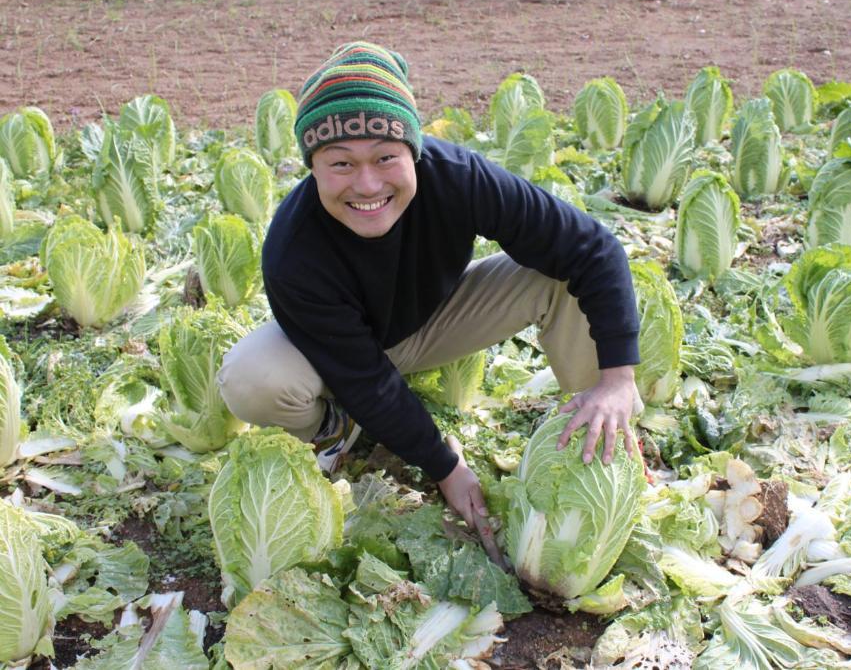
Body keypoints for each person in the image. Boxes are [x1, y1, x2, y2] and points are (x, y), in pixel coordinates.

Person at [217, 41, 641, 552]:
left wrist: (618, 378)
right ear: (313, 167)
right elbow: (367, 379)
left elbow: (593, 248)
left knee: (558, 273)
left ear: (414, 150)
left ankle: (601, 430)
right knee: (250, 379)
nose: (367, 184)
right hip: (340, 356)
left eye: (386, 157)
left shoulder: (459, 179)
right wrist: (447, 467)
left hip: (433, 321)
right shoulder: (293, 249)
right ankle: (335, 427)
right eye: (341, 164)